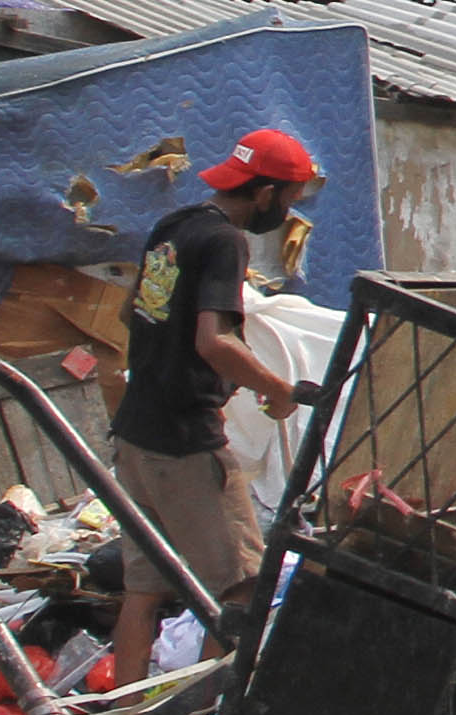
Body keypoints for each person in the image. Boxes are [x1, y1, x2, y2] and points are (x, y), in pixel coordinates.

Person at [104, 128, 320, 684]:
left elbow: (135, 313)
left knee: (143, 592)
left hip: (134, 434)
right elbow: (212, 341)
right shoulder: (227, 241)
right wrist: (274, 388)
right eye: (290, 198)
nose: (290, 209)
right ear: (266, 192)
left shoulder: (175, 226)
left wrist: (216, 371)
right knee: (243, 589)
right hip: (184, 442)